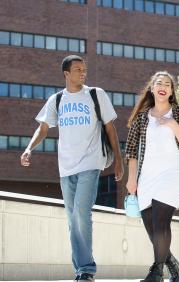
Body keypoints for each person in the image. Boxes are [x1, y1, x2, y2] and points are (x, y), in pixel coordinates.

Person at [20, 55, 124, 281]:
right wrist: (29, 148)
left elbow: (110, 128)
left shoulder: (96, 94)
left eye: (84, 69)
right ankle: (80, 270)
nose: (83, 73)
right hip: (65, 168)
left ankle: (86, 269)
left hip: (91, 162)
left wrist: (118, 159)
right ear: (66, 73)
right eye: (77, 69)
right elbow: (43, 129)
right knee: (72, 219)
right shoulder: (57, 100)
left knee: (81, 213)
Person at [125, 71, 179, 282]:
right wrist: (132, 179)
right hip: (147, 175)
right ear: (152, 88)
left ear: (171, 91)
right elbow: (130, 150)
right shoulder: (142, 116)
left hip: (174, 173)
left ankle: (157, 271)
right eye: (159, 82)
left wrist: (172, 125)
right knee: (151, 227)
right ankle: (172, 263)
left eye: (168, 83)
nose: (163, 86)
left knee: (161, 221)